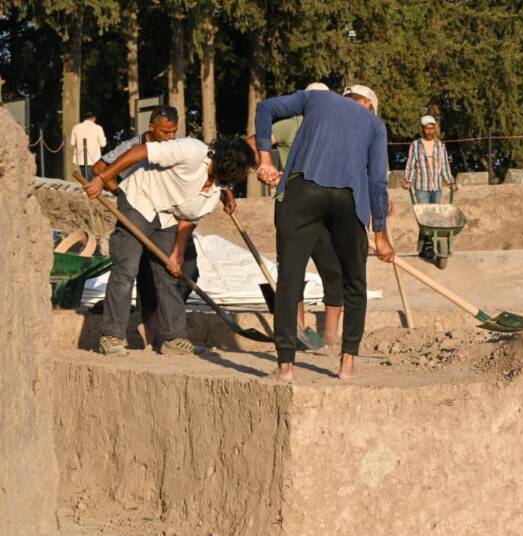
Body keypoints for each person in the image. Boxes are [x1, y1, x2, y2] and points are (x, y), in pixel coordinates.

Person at [253, 84, 394, 382]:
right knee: (354, 283)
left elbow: (265, 107)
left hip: (303, 191)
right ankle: (347, 364)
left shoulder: (316, 97)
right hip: (349, 199)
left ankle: (286, 367)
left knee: (289, 278)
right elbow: (377, 181)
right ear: (368, 103)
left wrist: (265, 159)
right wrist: (380, 234)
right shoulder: (375, 125)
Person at [83, 136, 255, 357]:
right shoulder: (191, 150)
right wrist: (102, 178)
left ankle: (173, 339)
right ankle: (112, 336)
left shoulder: (216, 190)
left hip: (168, 217)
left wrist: (177, 254)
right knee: (127, 268)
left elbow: (188, 218)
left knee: (169, 275)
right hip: (140, 199)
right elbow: (141, 151)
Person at [246, 82, 344, 346]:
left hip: (326, 208)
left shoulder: (336, 128)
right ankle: (297, 331)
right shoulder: (290, 124)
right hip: (291, 205)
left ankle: (331, 336)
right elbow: (252, 144)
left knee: (334, 270)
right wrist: (266, 166)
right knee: (292, 271)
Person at [402, 114, 456, 260]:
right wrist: (407, 180)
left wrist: (450, 182)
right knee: (425, 218)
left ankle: (433, 244)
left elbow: (445, 166)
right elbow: (411, 164)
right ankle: (427, 246)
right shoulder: (416, 145)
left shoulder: (440, 145)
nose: (430, 131)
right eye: (427, 128)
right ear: (422, 129)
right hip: (421, 186)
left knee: (435, 219)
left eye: (432, 128)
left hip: (436, 187)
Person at [70, 112, 106, 180]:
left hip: (81, 158)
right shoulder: (98, 128)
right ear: (94, 118)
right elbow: (103, 144)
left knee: (85, 178)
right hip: (94, 159)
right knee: (93, 179)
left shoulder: (76, 127)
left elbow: (72, 143)